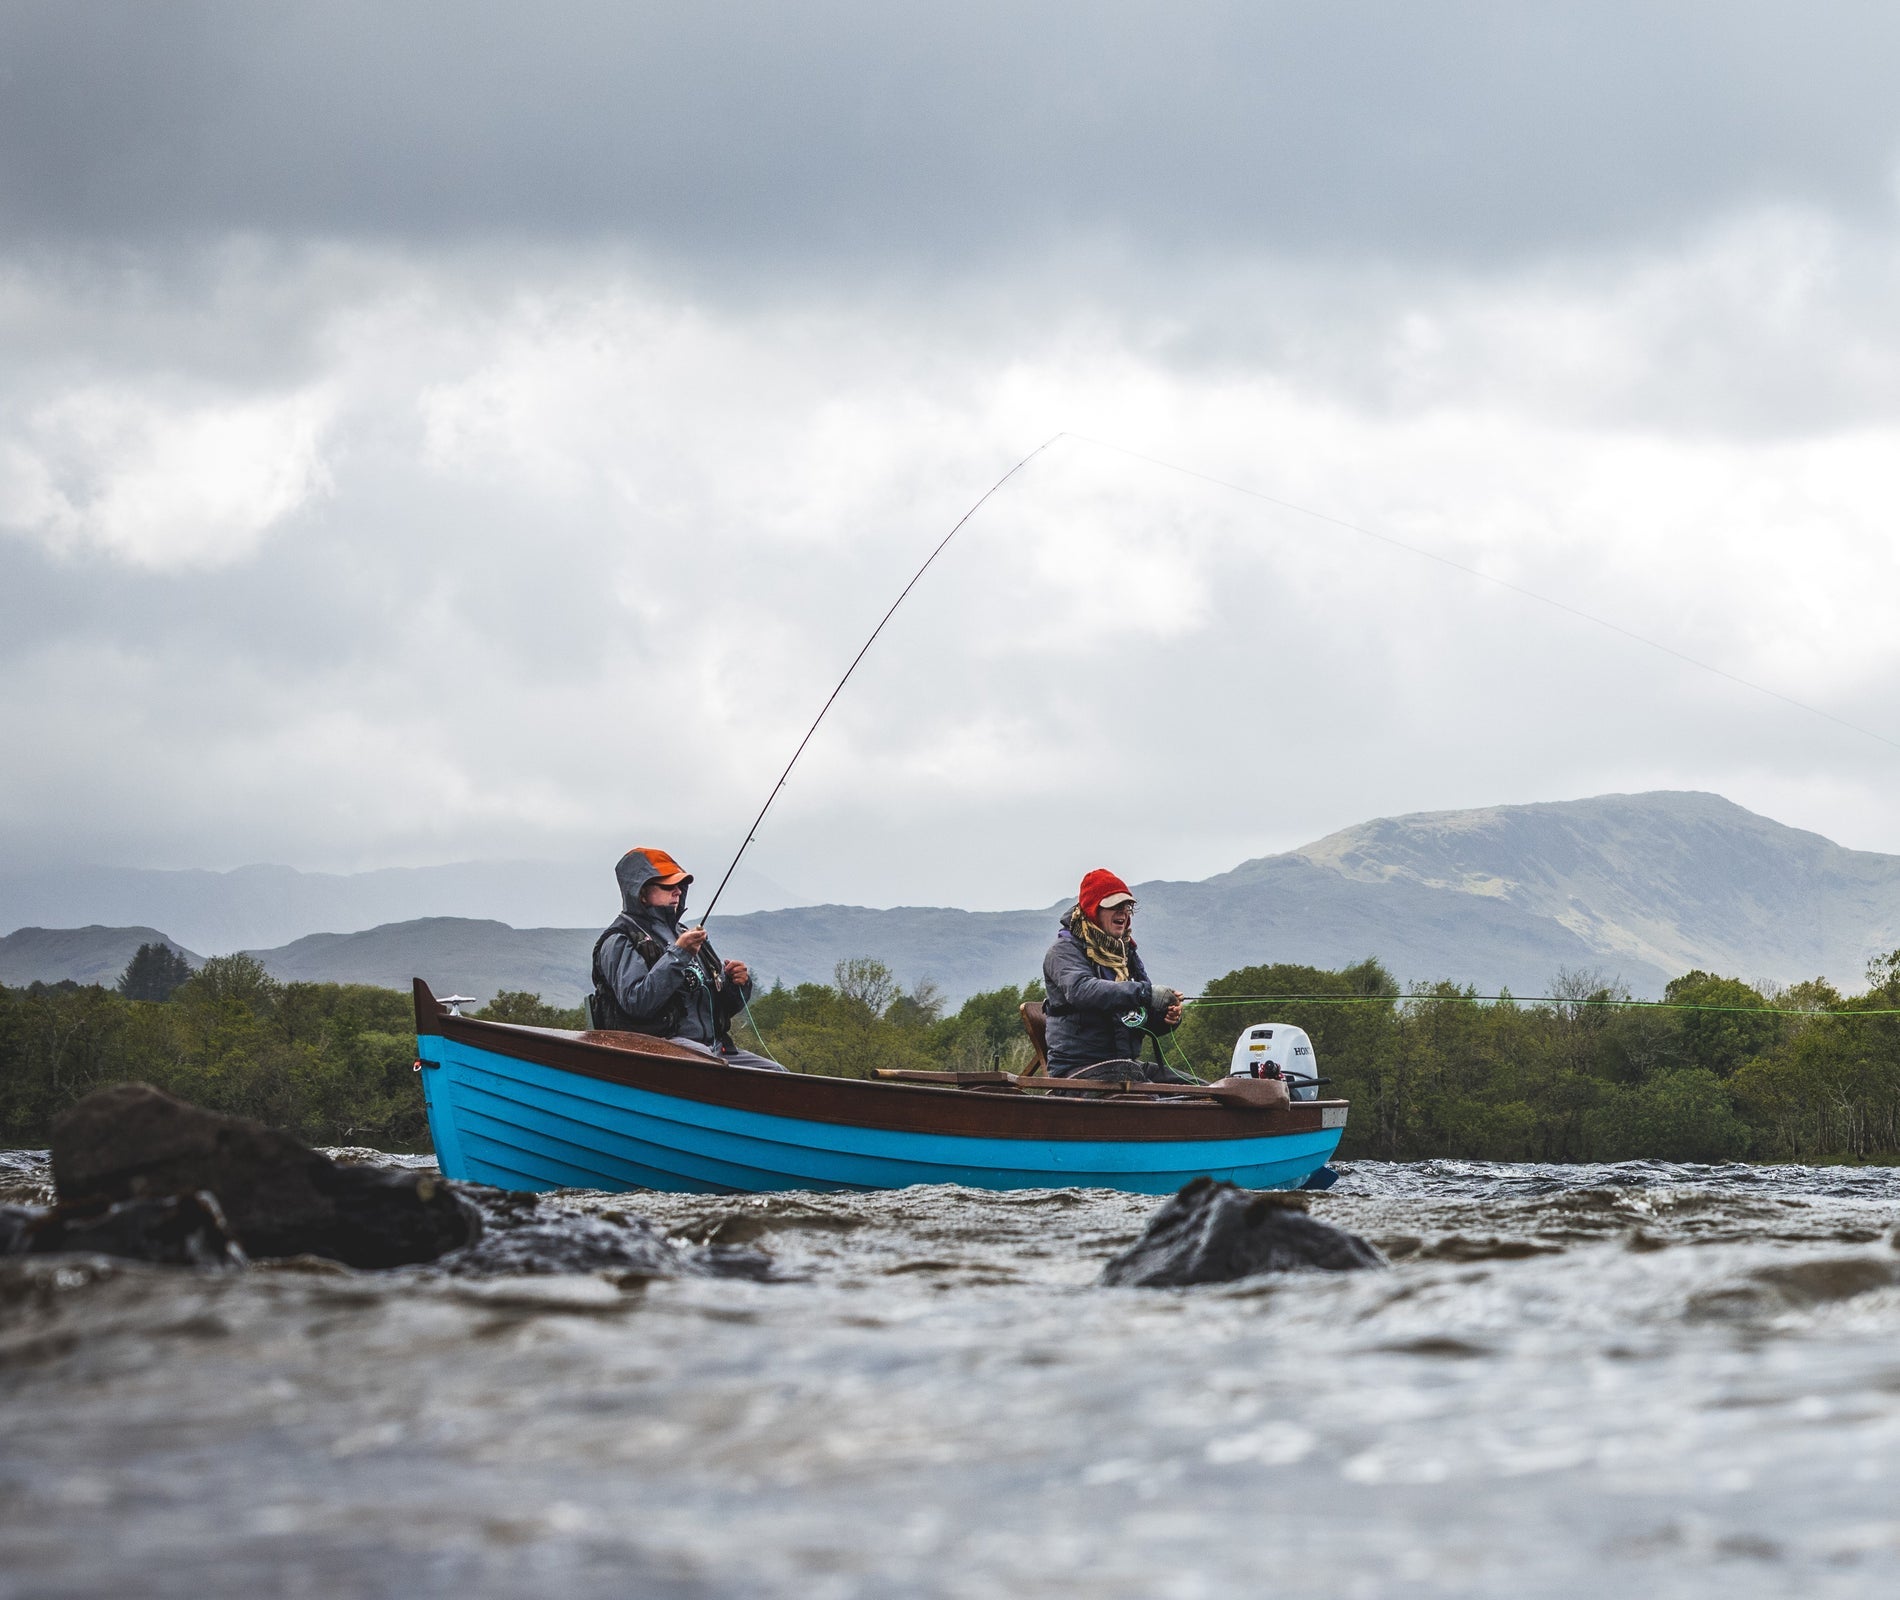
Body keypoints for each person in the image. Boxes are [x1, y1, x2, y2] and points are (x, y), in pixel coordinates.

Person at [589, 846, 787, 1071]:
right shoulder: (619, 940)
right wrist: (679, 954)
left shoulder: (685, 934)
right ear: (641, 893)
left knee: (778, 1075)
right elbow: (637, 1003)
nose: (677, 891)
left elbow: (722, 1008)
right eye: (668, 886)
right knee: (708, 1065)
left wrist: (737, 984)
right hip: (657, 1048)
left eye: (680, 885)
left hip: (715, 1049)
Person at [1040, 868, 1193, 1081]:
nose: (1123, 913)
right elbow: (1082, 990)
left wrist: (1166, 1019)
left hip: (1124, 1065)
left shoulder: (1124, 952)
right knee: (1150, 1097)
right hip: (1078, 1068)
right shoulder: (1063, 951)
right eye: (1114, 906)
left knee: (1203, 1090)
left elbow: (1138, 1016)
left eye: (1126, 906)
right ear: (1093, 909)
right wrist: (1146, 993)